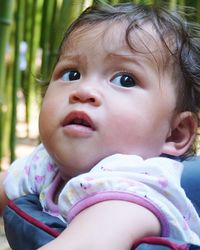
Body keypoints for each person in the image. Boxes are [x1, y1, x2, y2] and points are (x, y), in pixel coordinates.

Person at [1, 2, 200, 249]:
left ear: (175, 133)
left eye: (125, 80)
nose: (83, 91)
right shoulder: (45, 164)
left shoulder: (133, 192)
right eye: (72, 74)